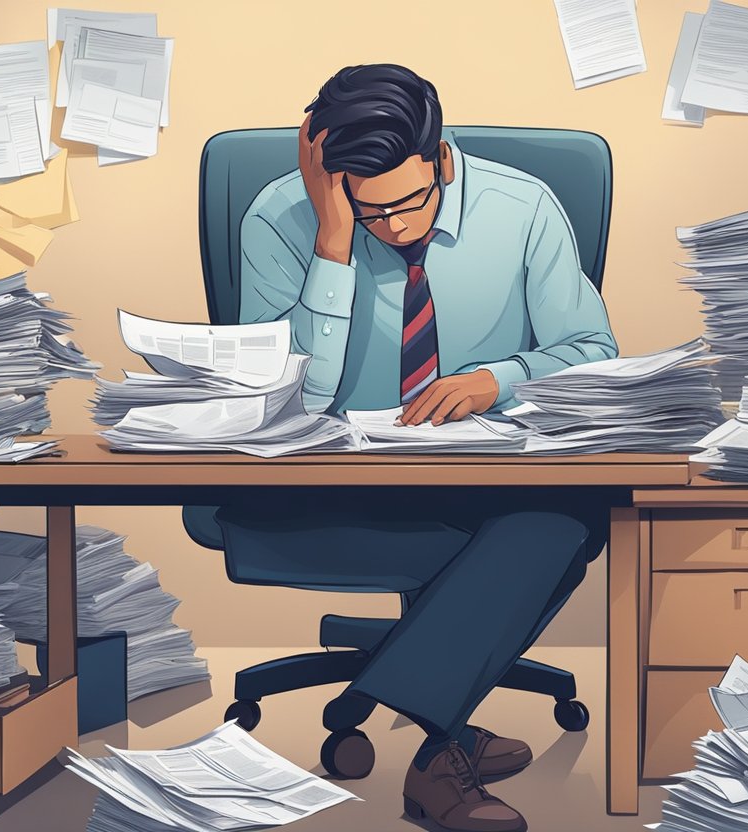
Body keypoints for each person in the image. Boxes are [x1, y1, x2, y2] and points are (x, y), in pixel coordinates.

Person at [219, 64, 618, 832]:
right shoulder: (279, 219)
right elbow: (289, 399)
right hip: (324, 479)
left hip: (484, 476)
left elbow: (595, 350)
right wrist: (333, 248)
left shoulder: (523, 207)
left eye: (410, 201)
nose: (397, 227)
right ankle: (448, 735)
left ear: (441, 160)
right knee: (545, 535)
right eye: (370, 211)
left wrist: (499, 380)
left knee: (574, 508)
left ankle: (432, 739)